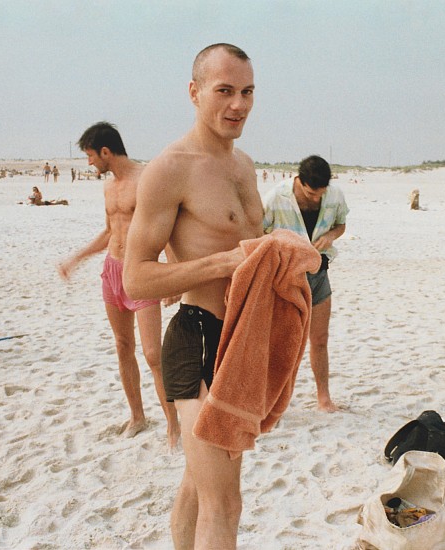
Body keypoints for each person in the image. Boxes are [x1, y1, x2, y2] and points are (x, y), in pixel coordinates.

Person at [123, 43, 257, 550]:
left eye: (246, 92)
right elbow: (135, 279)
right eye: (224, 91)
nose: (238, 105)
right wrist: (222, 264)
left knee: (199, 489)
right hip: (198, 336)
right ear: (194, 91)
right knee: (225, 504)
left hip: (239, 341)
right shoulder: (170, 168)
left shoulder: (244, 164)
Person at [58, 122, 179, 444]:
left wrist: (173, 279)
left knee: (154, 354)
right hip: (112, 271)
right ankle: (137, 416)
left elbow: (164, 230)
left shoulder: (146, 181)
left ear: (106, 152)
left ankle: (173, 424)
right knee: (123, 346)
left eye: (90, 156)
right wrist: (77, 259)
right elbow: (110, 231)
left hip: (141, 272)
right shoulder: (109, 188)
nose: (89, 163)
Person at [262, 155, 347, 411]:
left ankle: (324, 397)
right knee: (282, 342)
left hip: (320, 274)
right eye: (311, 194)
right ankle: (272, 400)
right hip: (286, 277)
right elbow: (258, 232)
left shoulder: (333, 195)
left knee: (320, 339)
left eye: (321, 194)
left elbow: (341, 224)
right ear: (299, 181)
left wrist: (331, 236)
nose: (316, 199)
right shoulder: (276, 197)